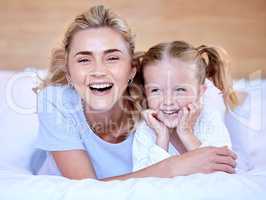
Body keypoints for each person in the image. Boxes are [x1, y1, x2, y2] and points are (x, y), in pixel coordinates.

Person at [33, 5, 237, 181]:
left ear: (131, 69)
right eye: (84, 60)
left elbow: (206, 93)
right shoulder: (55, 101)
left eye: (112, 58)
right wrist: (175, 167)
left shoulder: (157, 97)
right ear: (68, 72)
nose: (98, 71)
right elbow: (85, 190)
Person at [132, 41, 238, 171]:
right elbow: (144, 182)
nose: (168, 102)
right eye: (155, 90)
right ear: (145, 93)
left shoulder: (209, 120)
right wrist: (162, 138)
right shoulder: (147, 130)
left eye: (180, 90)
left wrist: (186, 133)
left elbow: (222, 173)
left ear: (200, 92)